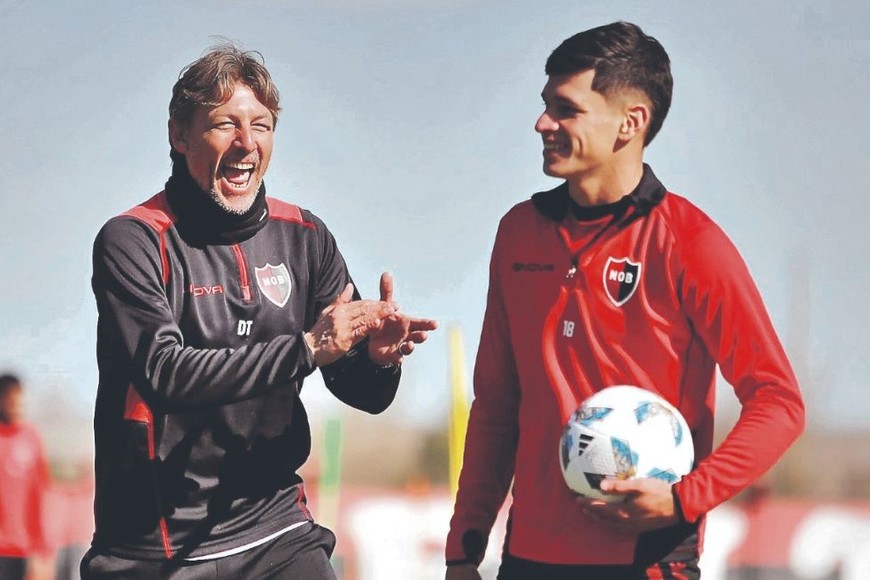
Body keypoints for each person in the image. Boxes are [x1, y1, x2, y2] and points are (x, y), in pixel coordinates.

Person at [445, 21, 804, 580]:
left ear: (630, 123)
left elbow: (778, 403)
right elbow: (496, 407)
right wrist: (463, 550)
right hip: (528, 558)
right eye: (545, 105)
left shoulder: (690, 242)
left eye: (565, 109)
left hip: (648, 560)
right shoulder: (517, 232)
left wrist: (686, 498)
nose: (542, 123)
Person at [82, 43, 437, 579]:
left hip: (276, 531)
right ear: (179, 136)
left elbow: (361, 392)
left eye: (262, 125)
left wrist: (379, 362)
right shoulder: (132, 240)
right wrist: (309, 347)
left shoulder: (306, 238)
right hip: (156, 547)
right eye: (225, 124)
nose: (246, 144)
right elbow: (164, 373)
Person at [0, 373, 53, 580]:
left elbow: (40, 494)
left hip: (22, 549)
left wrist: (43, 550)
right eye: (11, 401)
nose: (17, 406)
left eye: (20, 401)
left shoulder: (31, 438)